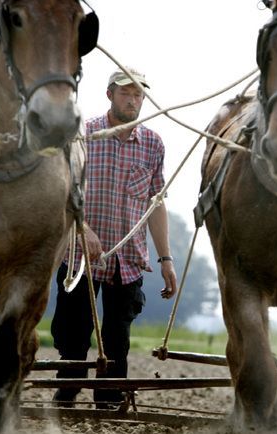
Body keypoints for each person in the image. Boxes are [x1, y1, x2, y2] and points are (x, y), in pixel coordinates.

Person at [50, 67, 178, 408]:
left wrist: (166, 260)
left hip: (128, 260)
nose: (133, 100)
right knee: (73, 334)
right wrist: (83, 229)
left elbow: (156, 205)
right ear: (110, 95)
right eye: (126, 93)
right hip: (80, 256)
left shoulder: (153, 144)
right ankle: (67, 391)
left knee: (117, 338)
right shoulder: (84, 134)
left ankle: (108, 399)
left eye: (138, 94)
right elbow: (64, 192)